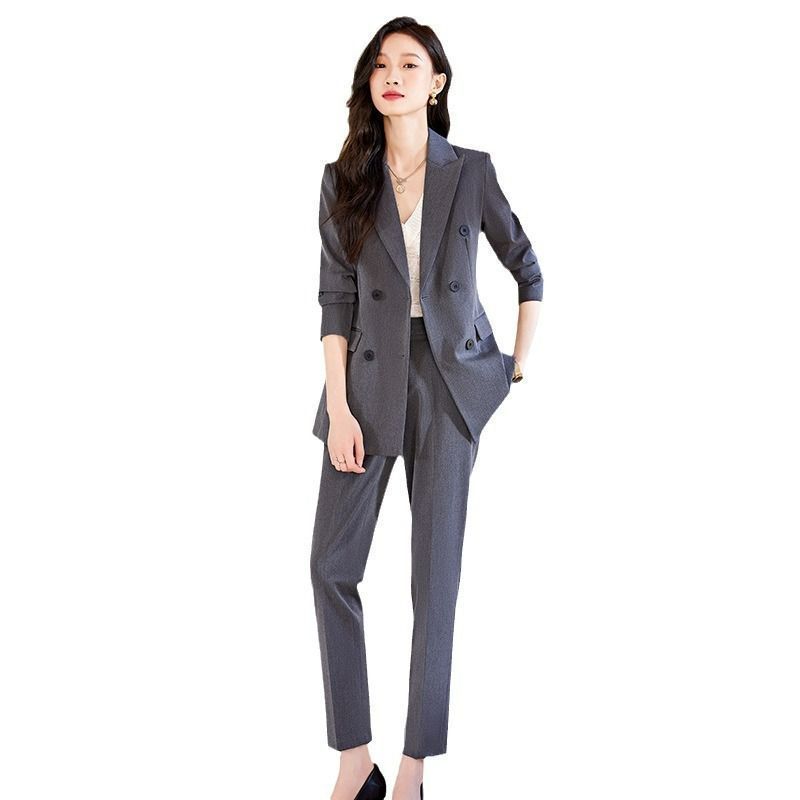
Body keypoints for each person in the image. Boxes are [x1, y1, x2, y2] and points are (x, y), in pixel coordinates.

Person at [309, 17, 543, 800]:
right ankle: (356, 763)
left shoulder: (470, 172)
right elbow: (335, 303)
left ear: (436, 84)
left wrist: (510, 368)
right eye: (382, 64)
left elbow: (528, 268)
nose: (393, 75)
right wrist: (339, 408)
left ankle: (413, 770)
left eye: (410, 64)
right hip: (365, 385)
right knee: (330, 567)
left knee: (433, 581)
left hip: (448, 386)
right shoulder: (345, 179)